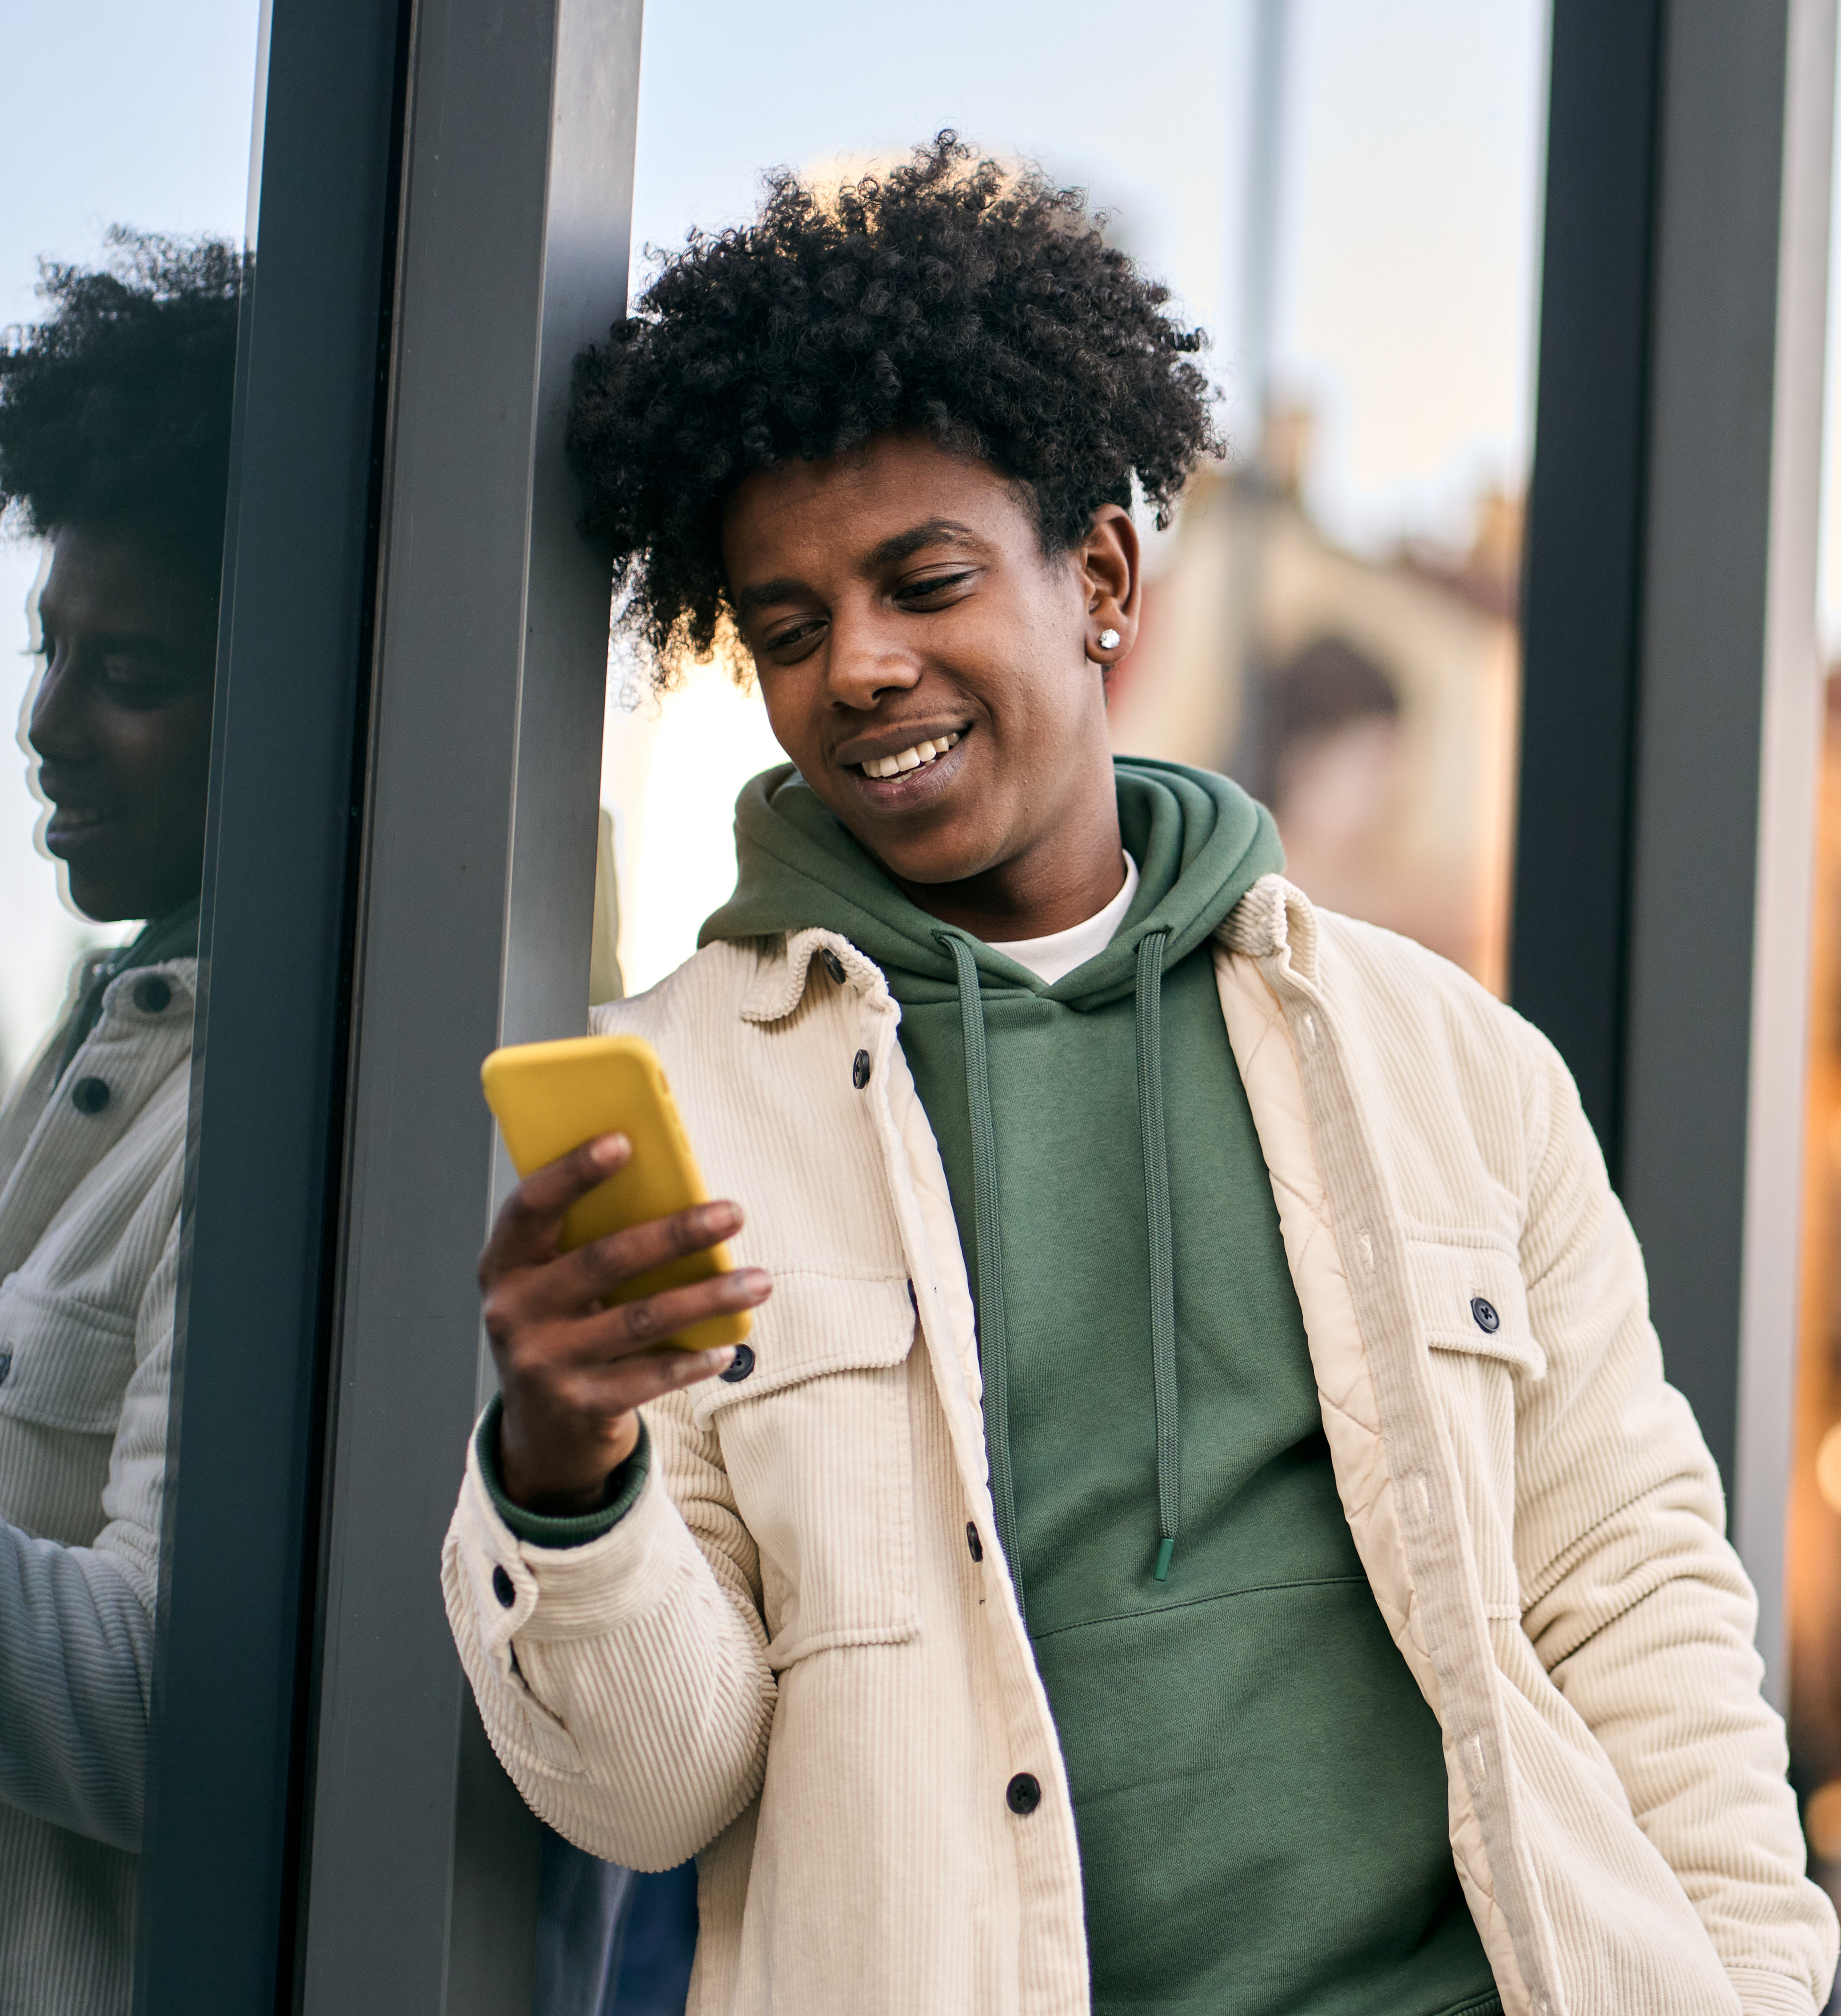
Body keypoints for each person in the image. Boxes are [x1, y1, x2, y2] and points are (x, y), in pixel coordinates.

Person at [444, 137, 1839, 2015]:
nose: (857, 664)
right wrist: (565, 1467)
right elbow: (651, 1786)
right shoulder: (683, 1095)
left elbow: (1639, 1606)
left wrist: (1753, 1989)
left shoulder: (1452, 1061)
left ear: (1098, 572)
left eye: (921, 579)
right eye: (786, 628)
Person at [0, 231, 238, 2012]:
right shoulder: (110, 1034)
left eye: (131, 674)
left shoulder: (287, 1116)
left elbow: (174, 1720)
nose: (47, 721)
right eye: (49, 648)